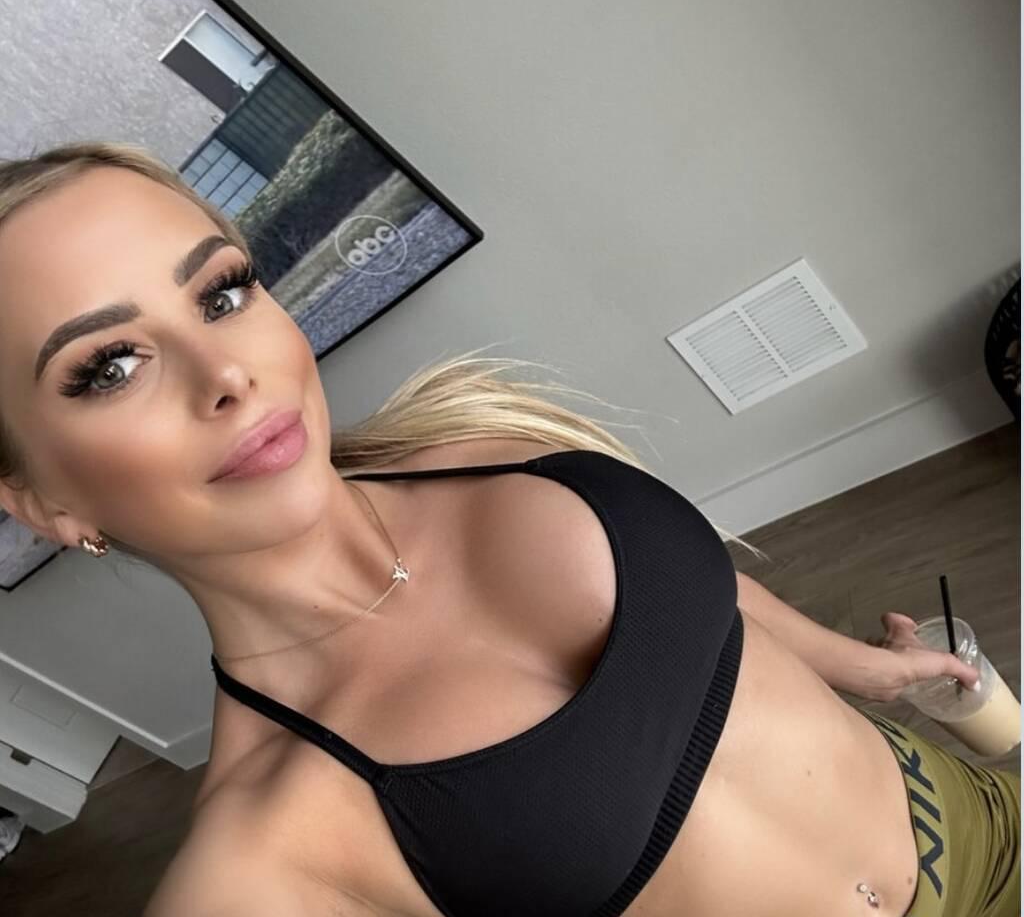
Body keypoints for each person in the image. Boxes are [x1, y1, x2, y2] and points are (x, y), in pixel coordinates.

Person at [0, 141, 1017, 917]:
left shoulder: (485, 436)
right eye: (109, 367)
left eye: (222, 292)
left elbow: (715, 603)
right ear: (46, 503)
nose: (227, 372)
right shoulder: (261, 861)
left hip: (978, 815)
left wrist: (863, 668)